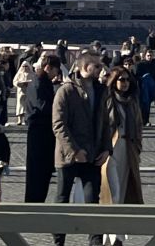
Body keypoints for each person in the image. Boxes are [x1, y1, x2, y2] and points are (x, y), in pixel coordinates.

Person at [51, 50, 111, 246]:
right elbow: (59, 124)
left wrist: (107, 148)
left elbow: (106, 122)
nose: (101, 70)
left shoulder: (101, 91)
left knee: (93, 202)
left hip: (93, 155)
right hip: (68, 156)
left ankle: (95, 242)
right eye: (97, 66)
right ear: (85, 67)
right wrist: (74, 150)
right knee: (62, 200)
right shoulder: (66, 91)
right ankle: (58, 241)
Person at [101, 66, 143, 232]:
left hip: (128, 147)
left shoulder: (132, 102)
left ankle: (117, 234)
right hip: (111, 147)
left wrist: (138, 146)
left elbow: (138, 126)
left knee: (124, 187)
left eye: (127, 80)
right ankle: (109, 231)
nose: (125, 83)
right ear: (114, 81)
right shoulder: (107, 100)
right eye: (121, 79)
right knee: (113, 188)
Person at [23, 52, 61, 203]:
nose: (56, 74)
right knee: (38, 175)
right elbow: (44, 107)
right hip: (40, 133)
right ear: (48, 68)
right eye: (56, 70)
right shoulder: (39, 83)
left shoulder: (42, 81)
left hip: (41, 132)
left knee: (41, 175)